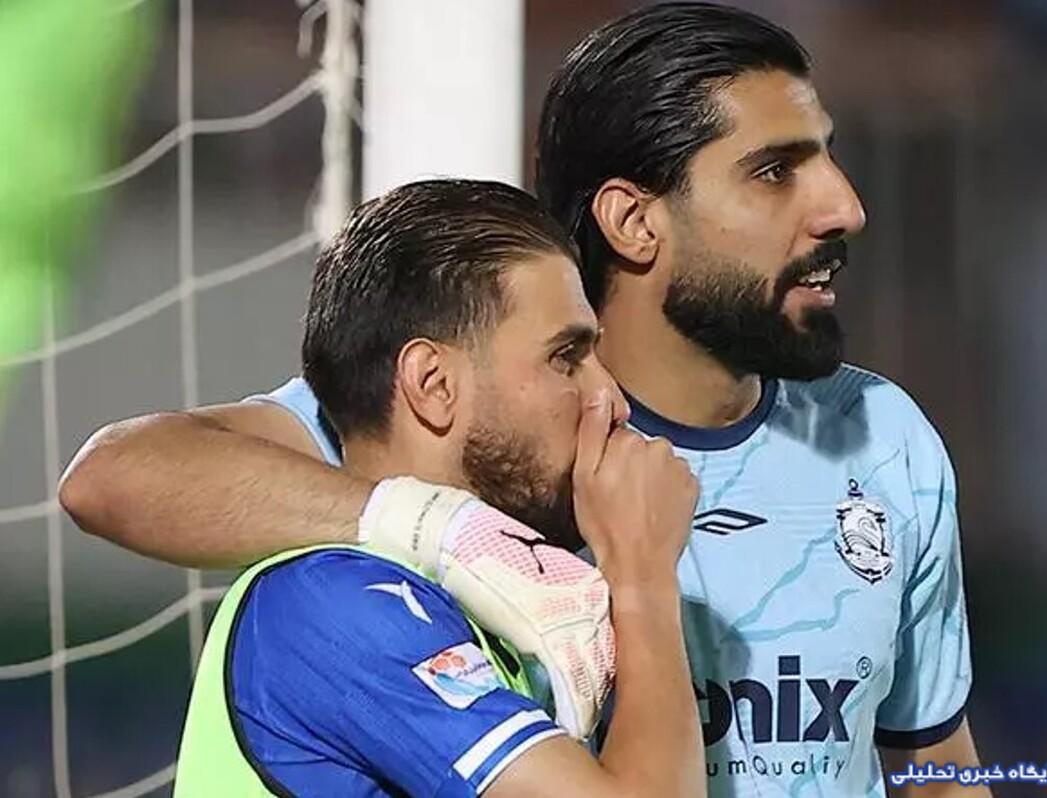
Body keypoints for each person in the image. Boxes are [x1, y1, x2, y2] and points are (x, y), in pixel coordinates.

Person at [62, 4, 985, 796]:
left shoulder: (881, 439)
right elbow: (113, 477)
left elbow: (935, 765)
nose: (844, 207)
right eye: (775, 170)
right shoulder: (475, 434)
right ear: (633, 220)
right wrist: (447, 531)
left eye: (828, 157)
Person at [170, 179, 704, 797]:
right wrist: (642, 574)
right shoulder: (337, 603)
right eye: (566, 357)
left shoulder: (474, 614)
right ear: (434, 384)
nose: (609, 398)